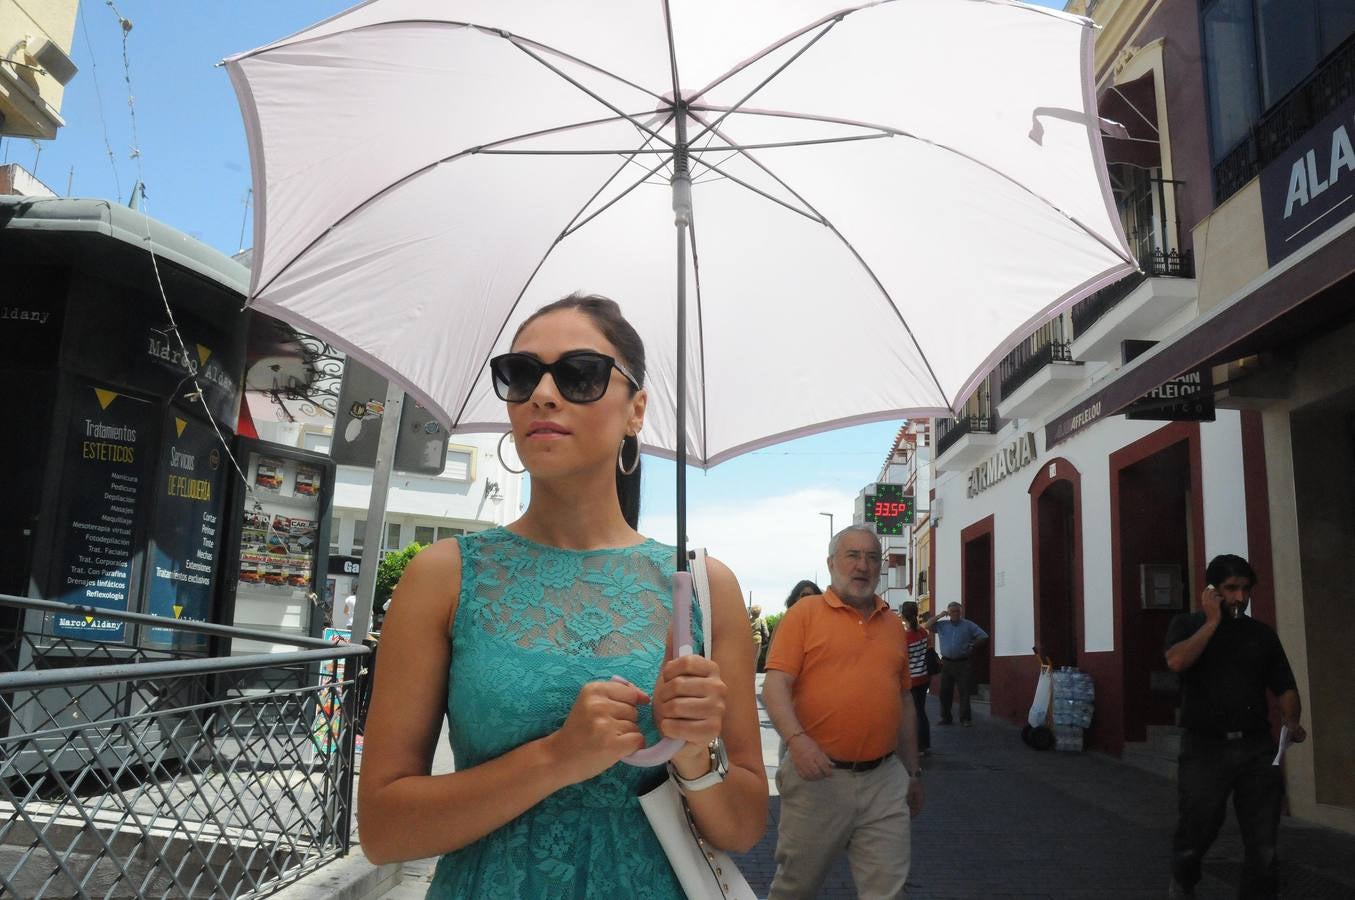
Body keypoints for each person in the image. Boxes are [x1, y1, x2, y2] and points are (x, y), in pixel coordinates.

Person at [357, 294, 768, 897]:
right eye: (521, 375)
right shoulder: (443, 578)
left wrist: (694, 757)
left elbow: (744, 826)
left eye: (580, 374)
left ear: (637, 410)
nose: (543, 394)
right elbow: (385, 830)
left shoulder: (707, 590)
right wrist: (557, 758)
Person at [763, 524, 923, 900]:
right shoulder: (804, 614)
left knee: (888, 891)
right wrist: (797, 742)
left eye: (872, 557)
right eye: (852, 556)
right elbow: (775, 686)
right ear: (832, 562)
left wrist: (913, 771)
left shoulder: (892, 624)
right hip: (818, 778)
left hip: (884, 779)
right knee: (795, 888)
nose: (862, 565)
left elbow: (903, 703)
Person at [1164, 554, 1305, 899]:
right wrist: (1212, 622)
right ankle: (1183, 880)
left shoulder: (1261, 635)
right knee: (1197, 831)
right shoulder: (1187, 625)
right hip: (1205, 748)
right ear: (1211, 591)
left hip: (1256, 748)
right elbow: (1177, 661)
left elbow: (1284, 685)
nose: (1240, 598)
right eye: (1231, 589)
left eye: (1245, 589)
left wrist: (1291, 719)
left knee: (1263, 843)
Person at [924, 602, 987, 726]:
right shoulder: (942, 625)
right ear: (948, 613)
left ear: (961, 612)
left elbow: (983, 636)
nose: (955, 614)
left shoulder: (968, 625)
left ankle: (965, 719)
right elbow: (927, 625)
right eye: (952, 611)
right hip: (946, 663)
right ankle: (946, 717)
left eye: (957, 611)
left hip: (963, 663)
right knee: (945, 692)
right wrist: (940, 615)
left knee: (964, 691)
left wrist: (973, 644)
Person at [899, 601, 932, 756]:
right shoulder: (923, 633)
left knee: (911, 714)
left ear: (903, 615)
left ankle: (915, 746)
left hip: (910, 679)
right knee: (921, 712)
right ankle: (924, 744)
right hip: (924, 677)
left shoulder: (904, 637)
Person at [750, 604, 771, 673]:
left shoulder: (749, 619)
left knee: (750, 657)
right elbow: (765, 631)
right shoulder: (761, 620)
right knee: (756, 657)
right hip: (757, 640)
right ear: (760, 612)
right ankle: (753, 671)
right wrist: (767, 636)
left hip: (749, 640)